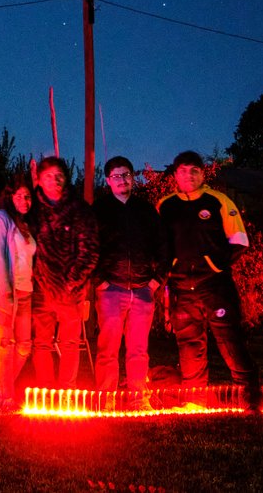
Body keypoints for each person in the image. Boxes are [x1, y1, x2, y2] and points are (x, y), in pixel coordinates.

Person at [158, 151, 262, 413]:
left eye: (194, 170)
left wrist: (215, 266)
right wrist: (169, 272)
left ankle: (249, 398)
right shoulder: (165, 206)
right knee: (189, 345)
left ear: (202, 174)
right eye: (183, 171)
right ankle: (195, 400)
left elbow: (240, 240)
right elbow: (159, 246)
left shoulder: (218, 201)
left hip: (215, 286)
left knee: (230, 341)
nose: (189, 175)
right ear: (175, 176)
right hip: (182, 288)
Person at [93, 156, 165, 395]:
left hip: (142, 290)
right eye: (116, 176)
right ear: (108, 180)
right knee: (107, 349)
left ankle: (138, 397)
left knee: (139, 350)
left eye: (126, 175)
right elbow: (89, 246)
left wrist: (157, 280)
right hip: (111, 289)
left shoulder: (145, 210)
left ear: (133, 178)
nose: (122, 180)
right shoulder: (99, 210)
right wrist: (99, 280)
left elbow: (163, 245)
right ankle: (106, 398)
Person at [29, 157, 98, 389]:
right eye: (48, 176)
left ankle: (68, 390)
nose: (54, 180)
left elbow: (89, 250)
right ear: (39, 180)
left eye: (59, 175)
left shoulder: (79, 210)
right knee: (41, 342)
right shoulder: (33, 209)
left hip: (71, 291)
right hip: (41, 287)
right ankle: (46, 389)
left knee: (70, 343)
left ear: (66, 178)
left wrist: (71, 282)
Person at [0, 180, 37, 411]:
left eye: (28, 196)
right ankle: (7, 398)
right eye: (19, 196)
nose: (25, 201)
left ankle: (1, 390)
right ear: (9, 197)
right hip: (2, 290)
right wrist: (5, 291)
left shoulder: (24, 223)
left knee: (24, 346)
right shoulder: (0, 218)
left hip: (25, 290)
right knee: (5, 342)